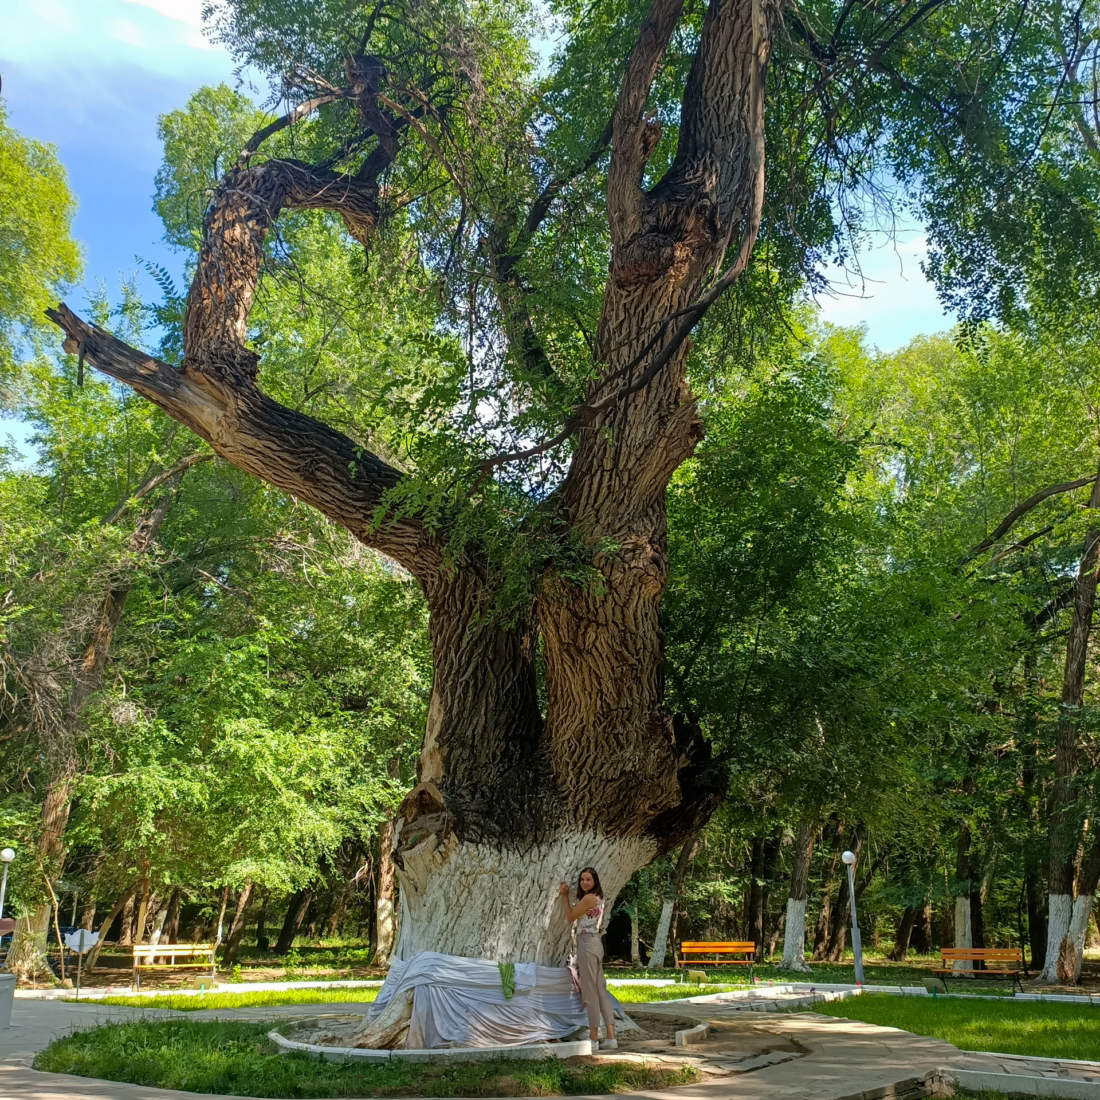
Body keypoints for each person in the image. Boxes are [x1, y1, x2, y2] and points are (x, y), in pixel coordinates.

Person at [559, 866, 617, 1049]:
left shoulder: (589, 899)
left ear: (595, 881)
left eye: (588, 879)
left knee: (590, 992)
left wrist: (564, 896)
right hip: (596, 943)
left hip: (587, 944)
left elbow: (570, 916)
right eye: (582, 879)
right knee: (600, 990)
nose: (584, 882)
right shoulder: (599, 898)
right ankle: (611, 1037)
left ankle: (593, 1038)